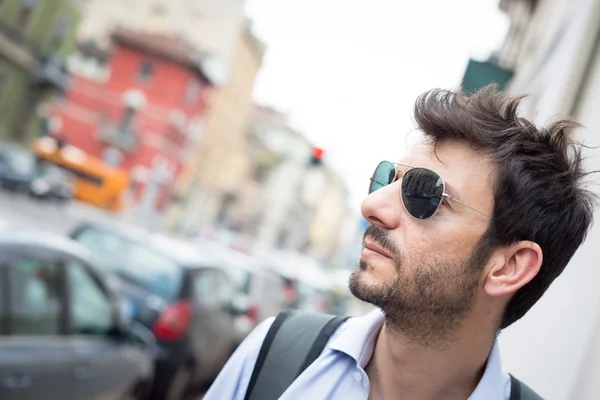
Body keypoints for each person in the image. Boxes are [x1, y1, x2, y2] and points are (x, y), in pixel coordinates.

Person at [203, 85, 596, 400]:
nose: (371, 205)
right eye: (388, 178)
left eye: (423, 194)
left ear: (508, 266)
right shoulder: (276, 354)